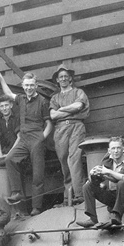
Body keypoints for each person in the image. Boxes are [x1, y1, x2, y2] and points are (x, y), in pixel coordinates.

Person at [0, 69, 53, 215]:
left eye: (31, 85)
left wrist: (42, 138)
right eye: (26, 85)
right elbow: (8, 93)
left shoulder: (43, 102)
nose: (28, 88)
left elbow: (49, 123)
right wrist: (0, 77)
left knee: (37, 174)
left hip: (37, 139)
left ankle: (36, 207)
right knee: (10, 159)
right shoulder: (20, 99)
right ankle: (17, 192)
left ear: (36, 85)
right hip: (23, 139)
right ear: (23, 85)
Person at [78, 136, 124, 228]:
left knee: (122, 183)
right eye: (113, 148)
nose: (116, 151)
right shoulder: (107, 162)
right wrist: (92, 175)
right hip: (114, 196)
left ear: (123, 149)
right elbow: (96, 180)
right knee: (87, 186)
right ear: (109, 150)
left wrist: (109, 172)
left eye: (118, 148)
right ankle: (92, 219)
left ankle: (117, 217)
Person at [49, 65, 90, 203]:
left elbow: (78, 106)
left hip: (76, 127)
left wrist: (62, 110)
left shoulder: (78, 92)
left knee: (74, 159)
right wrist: (70, 109)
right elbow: (53, 115)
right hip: (60, 130)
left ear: (70, 78)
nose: (64, 78)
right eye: (61, 77)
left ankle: (79, 194)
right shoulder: (55, 98)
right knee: (63, 161)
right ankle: (68, 195)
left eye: (66, 76)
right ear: (57, 80)